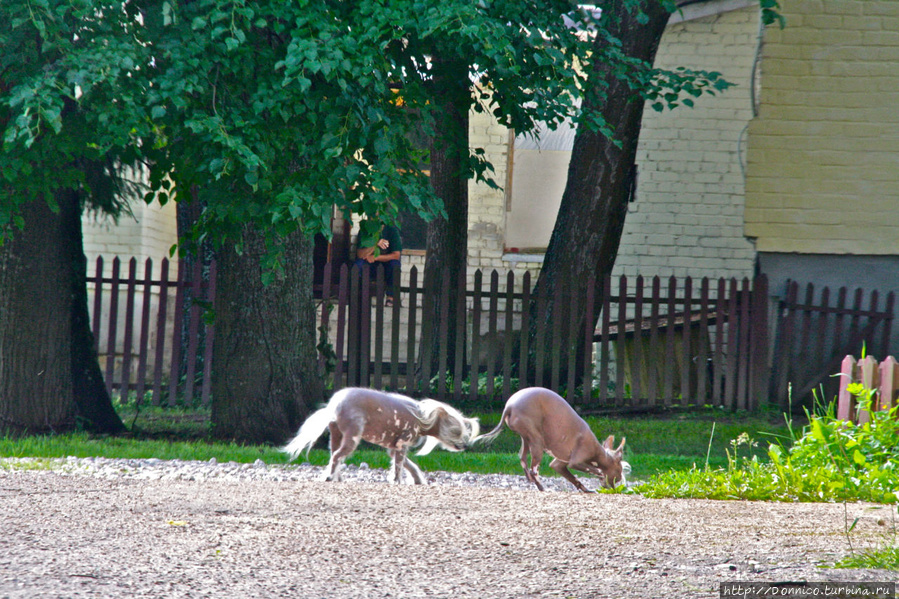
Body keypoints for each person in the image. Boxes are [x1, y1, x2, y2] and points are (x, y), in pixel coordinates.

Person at [354, 224, 402, 306]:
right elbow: (360, 255)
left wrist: (375, 257)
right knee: (358, 265)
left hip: (386, 265)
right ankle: (357, 295)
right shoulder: (364, 230)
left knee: (395, 265)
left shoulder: (392, 231)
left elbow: (396, 255)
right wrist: (376, 244)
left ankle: (391, 297)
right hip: (369, 265)